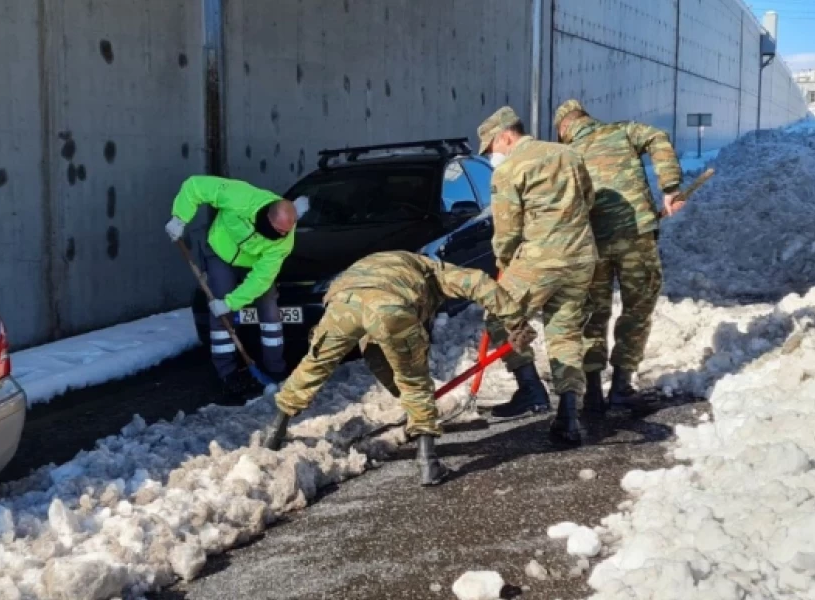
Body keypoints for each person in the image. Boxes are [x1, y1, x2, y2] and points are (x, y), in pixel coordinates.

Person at [260, 251, 537, 486]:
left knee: (314, 365)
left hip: (342, 301)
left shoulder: (385, 262)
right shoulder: (434, 271)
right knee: (414, 379)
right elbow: (478, 283)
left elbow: (378, 354)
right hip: (390, 306)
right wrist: (516, 322)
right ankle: (428, 463)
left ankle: (275, 432)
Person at [474, 106, 599, 446]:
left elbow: (507, 229)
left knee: (498, 316)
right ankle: (569, 416)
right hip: (581, 257)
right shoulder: (568, 153)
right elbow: (588, 198)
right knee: (565, 333)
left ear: (506, 136)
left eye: (492, 147)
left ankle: (530, 390)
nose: (493, 155)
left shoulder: (510, 169)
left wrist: (505, 262)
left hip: (540, 259)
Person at [551, 99, 683, 415]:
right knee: (637, 309)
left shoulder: (566, 155)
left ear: (564, 128)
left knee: (592, 314)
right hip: (635, 235)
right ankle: (621, 388)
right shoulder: (622, 131)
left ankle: (593, 392)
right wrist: (671, 186)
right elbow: (657, 137)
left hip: (591, 244)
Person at [165, 175, 309, 400]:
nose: (281, 236)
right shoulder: (240, 197)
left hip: (253, 265)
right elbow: (195, 186)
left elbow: (261, 278)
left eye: (285, 232)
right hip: (221, 253)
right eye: (278, 231)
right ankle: (228, 374)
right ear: (267, 218)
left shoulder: (284, 241)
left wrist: (232, 303)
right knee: (220, 312)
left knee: (270, 312)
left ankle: (275, 371)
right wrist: (180, 218)